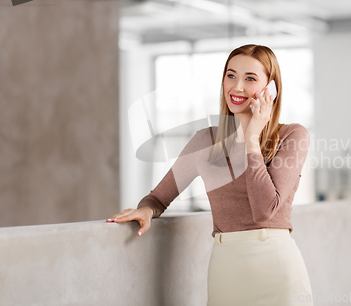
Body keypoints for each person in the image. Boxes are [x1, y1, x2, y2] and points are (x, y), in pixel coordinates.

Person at [107, 44, 313, 305]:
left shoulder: (292, 136)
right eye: (231, 75)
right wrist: (145, 211)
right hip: (226, 269)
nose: (237, 87)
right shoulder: (206, 141)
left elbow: (264, 209)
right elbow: (158, 198)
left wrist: (251, 140)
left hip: (277, 269)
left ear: (270, 89)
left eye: (250, 79)